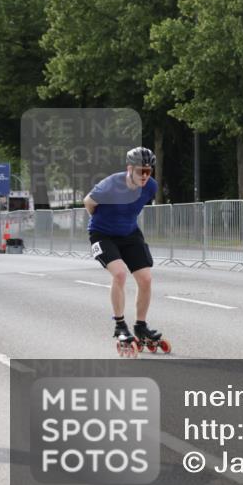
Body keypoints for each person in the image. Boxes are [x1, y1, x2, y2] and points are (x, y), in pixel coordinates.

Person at [84, 146, 168, 356]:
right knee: (120, 273)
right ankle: (120, 325)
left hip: (129, 234)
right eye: (141, 171)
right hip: (102, 234)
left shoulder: (151, 187)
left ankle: (140, 325)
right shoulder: (111, 184)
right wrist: (103, 220)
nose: (145, 176)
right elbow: (88, 202)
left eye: (149, 171)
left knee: (146, 278)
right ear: (129, 169)